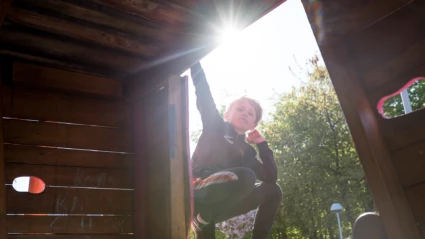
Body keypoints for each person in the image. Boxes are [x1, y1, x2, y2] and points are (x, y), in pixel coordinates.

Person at [190, 61, 282, 239]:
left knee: (274, 191)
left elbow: (271, 177)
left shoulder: (247, 151)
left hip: (218, 208)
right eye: (240, 109)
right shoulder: (215, 125)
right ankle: (202, 211)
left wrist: (262, 145)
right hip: (199, 189)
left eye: (250, 113)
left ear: (254, 124)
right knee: (246, 175)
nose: (245, 113)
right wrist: (194, 61)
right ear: (226, 114)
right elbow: (203, 93)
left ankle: (203, 220)